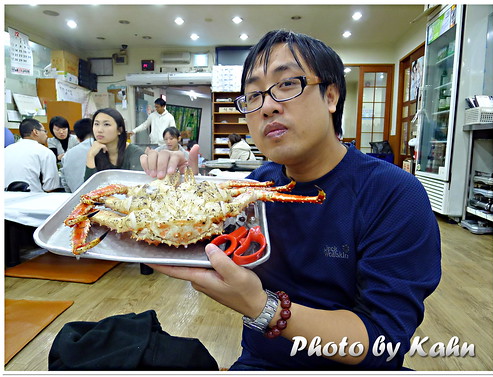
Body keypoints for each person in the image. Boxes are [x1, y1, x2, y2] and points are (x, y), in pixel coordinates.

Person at [139, 30, 441, 370]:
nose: (266, 106)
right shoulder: (255, 188)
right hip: (262, 361)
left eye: (286, 85)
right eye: (252, 96)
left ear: (330, 96)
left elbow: (382, 341)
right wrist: (183, 197)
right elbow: (205, 250)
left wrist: (262, 306)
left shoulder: (393, 194)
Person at [85, 108, 145, 181]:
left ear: (119, 130)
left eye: (106, 124)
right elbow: (88, 189)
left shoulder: (135, 153)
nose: (99, 130)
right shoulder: (95, 151)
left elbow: (139, 186)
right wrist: (90, 156)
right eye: (96, 124)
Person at [4, 118, 60, 192]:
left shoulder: (6, 150)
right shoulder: (45, 152)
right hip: (33, 199)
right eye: (44, 131)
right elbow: (51, 187)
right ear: (35, 132)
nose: (46, 135)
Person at [60, 118, 93, 192]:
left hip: (77, 198)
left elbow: (64, 182)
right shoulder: (104, 148)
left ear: (77, 138)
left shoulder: (67, 155)